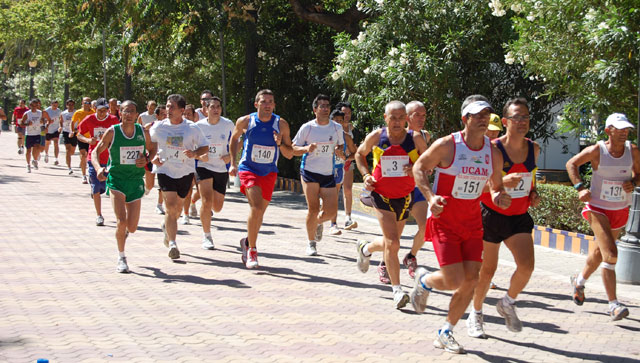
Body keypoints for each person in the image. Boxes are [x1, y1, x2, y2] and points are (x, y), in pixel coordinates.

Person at [409, 95, 510, 354]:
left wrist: (499, 195)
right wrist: (431, 198)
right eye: (477, 116)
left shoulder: (493, 152)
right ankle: (425, 282)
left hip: (473, 223)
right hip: (445, 221)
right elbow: (419, 168)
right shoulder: (447, 145)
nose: (483, 120)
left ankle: (446, 331)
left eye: (486, 116)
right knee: (454, 279)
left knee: (471, 280)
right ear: (465, 118)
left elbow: (495, 186)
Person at [466, 98, 541, 338]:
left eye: (525, 117)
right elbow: (477, 187)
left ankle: (507, 302)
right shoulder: (492, 149)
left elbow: (531, 179)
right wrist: (500, 187)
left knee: (527, 266)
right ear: (506, 121)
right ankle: (476, 313)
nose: (522, 122)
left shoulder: (534, 148)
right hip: (492, 215)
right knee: (487, 271)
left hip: (518, 216)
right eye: (517, 117)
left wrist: (534, 193)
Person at [566, 112, 639, 321]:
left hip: (620, 209)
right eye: (620, 129)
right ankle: (613, 305)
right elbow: (571, 164)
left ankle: (578, 282)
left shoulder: (632, 150)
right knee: (611, 254)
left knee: (600, 253)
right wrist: (580, 187)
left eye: (627, 129)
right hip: (597, 208)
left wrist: (633, 183)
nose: (624, 132)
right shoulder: (597, 150)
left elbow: (639, 174)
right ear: (608, 131)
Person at [355, 100, 428, 308]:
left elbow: (428, 162)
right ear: (385, 118)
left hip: (405, 197)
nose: (396, 122)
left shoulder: (415, 139)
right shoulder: (377, 137)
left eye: (400, 118)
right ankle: (398, 290)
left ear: (406, 119)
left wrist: (414, 167)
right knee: (394, 242)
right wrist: (366, 174)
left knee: (390, 242)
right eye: (392, 118)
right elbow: (360, 154)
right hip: (381, 195)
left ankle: (366, 249)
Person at [229, 89, 294, 268]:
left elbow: (289, 154)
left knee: (259, 213)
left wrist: (280, 143)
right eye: (264, 101)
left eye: (270, 102)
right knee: (256, 207)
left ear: (274, 105)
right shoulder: (246, 121)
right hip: (248, 168)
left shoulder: (281, 124)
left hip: (269, 172)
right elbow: (234, 139)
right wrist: (233, 163)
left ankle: (247, 242)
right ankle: (253, 251)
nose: (267, 105)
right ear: (256, 104)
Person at [91, 100, 153, 272]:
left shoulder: (142, 132)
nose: (128, 114)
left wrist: (146, 159)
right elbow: (96, 152)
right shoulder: (113, 132)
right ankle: (121, 257)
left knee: (131, 227)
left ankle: (123, 233)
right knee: (121, 221)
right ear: (120, 113)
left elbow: (152, 149)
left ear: (136, 115)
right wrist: (98, 168)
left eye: (132, 111)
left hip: (135, 181)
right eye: (125, 111)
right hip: (117, 180)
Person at [150, 94, 209, 260]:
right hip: (165, 170)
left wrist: (194, 153)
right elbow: (149, 142)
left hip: (185, 172)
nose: (168, 110)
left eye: (172, 107)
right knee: (169, 206)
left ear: (182, 110)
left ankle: (167, 228)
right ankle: (173, 243)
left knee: (176, 209)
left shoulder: (192, 128)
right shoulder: (159, 127)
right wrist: (152, 156)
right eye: (167, 106)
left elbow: (205, 147)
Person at [292, 94, 345, 255]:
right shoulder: (307, 128)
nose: (325, 109)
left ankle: (318, 223)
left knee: (331, 212)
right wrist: (306, 149)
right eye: (321, 106)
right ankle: (311, 243)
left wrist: (339, 152)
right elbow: (294, 148)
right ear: (315, 110)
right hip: (309, 172)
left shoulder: (336, 127)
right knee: (313, 209)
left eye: (327, 105)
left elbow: (340, 146)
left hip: (328, 173)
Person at [194, 97, 234, 249]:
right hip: (203, 166)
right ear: (206, 109)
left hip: (220, 167)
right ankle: (207, 236)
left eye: (218, 106)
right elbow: (191, 147)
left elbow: (238, 141)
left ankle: (207, 211)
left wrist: (230, 156)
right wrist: (199, 155)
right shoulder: (198, 126)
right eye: (212, 107)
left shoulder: (228, 124)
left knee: (217, 207)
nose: (216, 109)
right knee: (206, 200)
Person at [77, 98, 121, 226]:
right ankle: (99, 215)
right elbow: (79, 134)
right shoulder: (89, 119)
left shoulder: (113, 120)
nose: (102, 113)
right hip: (94, 157)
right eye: (100, 110)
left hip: (109, 159)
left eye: (105, 110)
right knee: (96, 188)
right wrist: (88, 140)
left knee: (106, 187)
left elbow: (119, 134)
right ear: (95, 109)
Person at [402, 100, 431, 279]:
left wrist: (415, 170)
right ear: (407, 117)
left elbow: (429, 166)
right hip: (396, 191)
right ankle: (379, 259)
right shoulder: (394, 135)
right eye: (417, 115)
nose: (421, 119)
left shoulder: (424, 137)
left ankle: (411, 256)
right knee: (393, 236)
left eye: (424, 115)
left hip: (416, 189)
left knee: (426, 227)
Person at [328, 109, 357, 236]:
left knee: (334, 196)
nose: (338, 123)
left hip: (338, 169)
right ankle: (319, 220)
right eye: (336, 121)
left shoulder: (346, 137)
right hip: (322, 170)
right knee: (325, 199)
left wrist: (346, 157)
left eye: (341, 120)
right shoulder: (323, 134)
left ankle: (333, 224)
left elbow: (356, 153)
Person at [333, 101, 358, 230]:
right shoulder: (331, 128)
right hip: (333, 164)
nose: (347, 115)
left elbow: (358, 147)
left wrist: (349, 156)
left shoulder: (353, 130)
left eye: (349, 113)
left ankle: (348, 218)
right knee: (334, 191)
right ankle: (333, 221)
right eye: (344, 113)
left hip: (348, 162)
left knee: (348, 189)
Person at [71, 97, 95, 184]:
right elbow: (73, 122)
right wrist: (72, 131)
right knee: (83, 154)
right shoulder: (78, 112)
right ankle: (84, 175)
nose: (87, 104)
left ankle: (90, 172)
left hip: (91, 138)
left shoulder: (93, 112)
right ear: (82, 103)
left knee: (91, 156)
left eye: (89, 102)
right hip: (81, 136)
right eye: (86, 102)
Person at [20, 99, 46, 172]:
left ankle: (34, 160)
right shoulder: (27, 114)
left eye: (36, 105)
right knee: (28, 150)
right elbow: (21, 123)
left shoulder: (40, 113)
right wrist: (28, 124)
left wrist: (43, 123)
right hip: (29, 134)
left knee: (37, 148)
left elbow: (44, 121)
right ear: (30, 106)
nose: (34, 107)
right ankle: (28, 165)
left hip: (37, 134)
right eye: (33, 106)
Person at [61, 99, 77, 174]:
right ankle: (69, 167)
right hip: (66, 132)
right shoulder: (63, 113)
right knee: (68, 149)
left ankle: (68, 157)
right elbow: (61, 122)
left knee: (72, 151)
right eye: (69, 105)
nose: (70, 106)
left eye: (72, 105)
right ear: (66, 105)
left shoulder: (76, 112)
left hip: (74, 132)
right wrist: (60, 127)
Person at [44, 100, 63, 165]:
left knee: (56, 143)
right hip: (48, 129)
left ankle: (56, 158)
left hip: (55, 129)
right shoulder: (47, 111)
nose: (55, 107)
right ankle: (46, 154)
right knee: (47, 143)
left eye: (56, 105)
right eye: (54, 105)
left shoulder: (59, 111)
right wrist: (48, 121)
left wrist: (60, 127)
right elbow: (43, 119)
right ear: (51, 104)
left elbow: (61, 119)